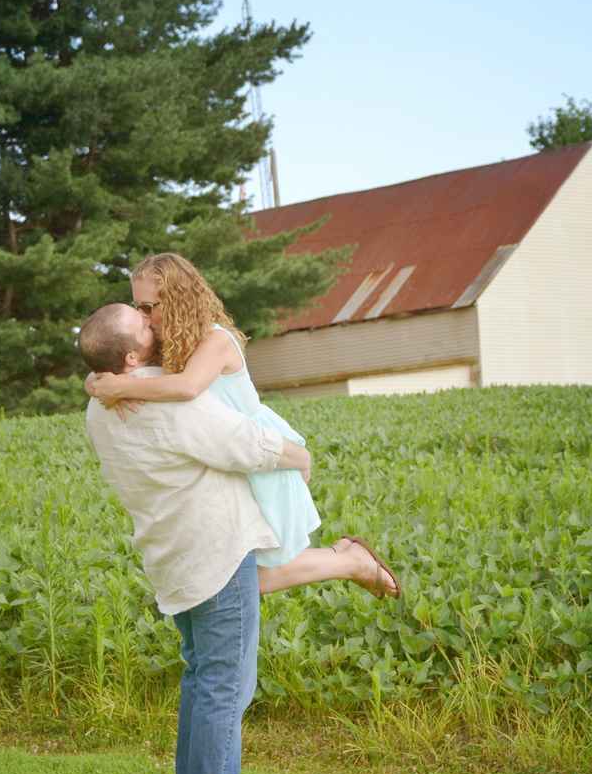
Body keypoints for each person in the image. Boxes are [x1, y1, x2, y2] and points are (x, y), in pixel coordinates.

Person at [78, 303, 395, 774]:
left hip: (173, 557)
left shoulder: (101, 407)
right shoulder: (167, 402)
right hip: (217, 553)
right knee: (225, 690)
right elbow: (244, 445)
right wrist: (300, 457)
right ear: (132, 355)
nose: (156, 323)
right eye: (145, 324)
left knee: (203, 684)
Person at [86, 252, 401, 600]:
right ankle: (349, 560)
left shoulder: (214, 340)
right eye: (138, 308)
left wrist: (122, 387)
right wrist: (95, 381)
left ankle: (352, 561)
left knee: (246, 573)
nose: (143, 317)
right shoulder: (168, 342)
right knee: (242, 571)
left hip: (261, 449)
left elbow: (187, 387)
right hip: (232, 452)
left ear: (176, 300)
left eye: (148, 307)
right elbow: (114, 353)